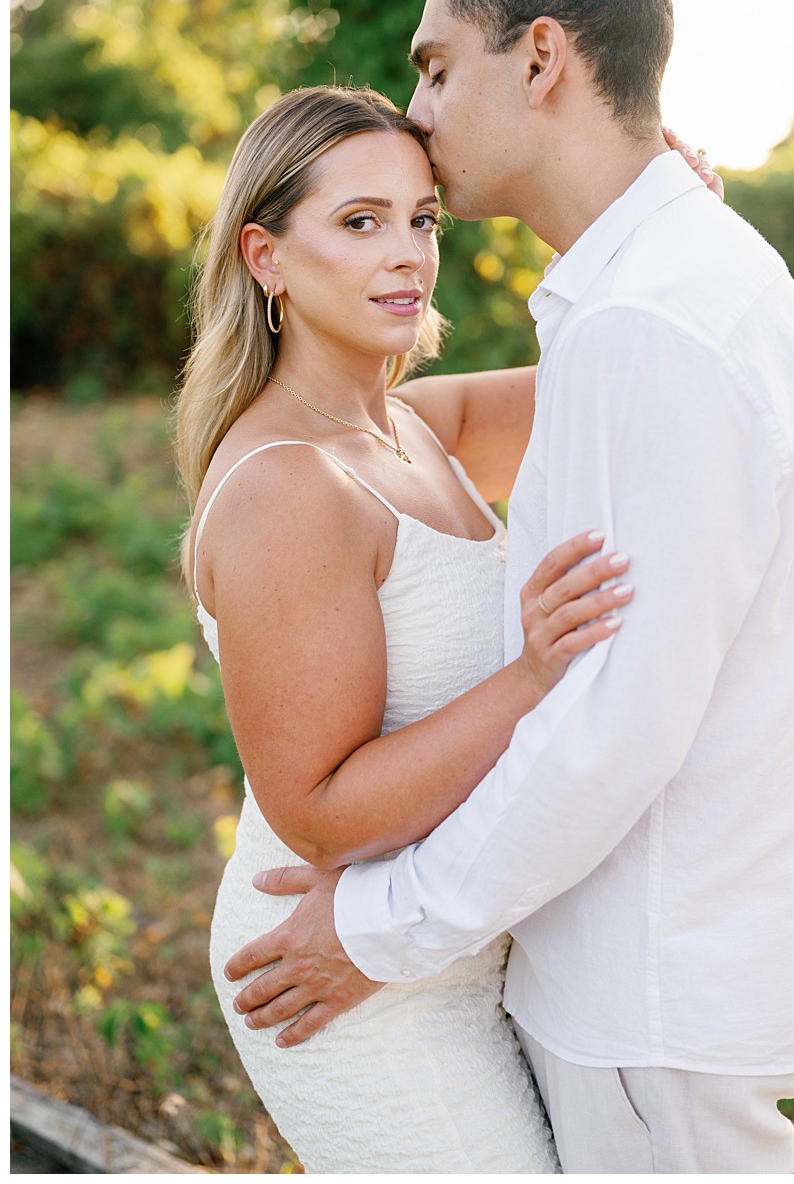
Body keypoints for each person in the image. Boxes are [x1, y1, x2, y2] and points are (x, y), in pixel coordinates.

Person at [221, 0, 794, 1174]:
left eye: (438, 67)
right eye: (362, 220)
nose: (426, 118)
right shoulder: (643, 303)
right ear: (266, 259)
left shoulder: (644, 321)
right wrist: (651, 216)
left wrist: (386, 927)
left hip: (638, 968)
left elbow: (615, 728)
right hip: (520, 952)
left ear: (543, 56)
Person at [177, 83, 637, 1170]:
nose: (407, 253)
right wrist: (531, 677)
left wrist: (652, 219)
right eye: (359, 222)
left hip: (449, 939)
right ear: (267, 257)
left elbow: (620, 373)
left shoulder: (409, 425)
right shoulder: (287, 487)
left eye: (421, 218)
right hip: (332, 977)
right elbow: (322, 816)